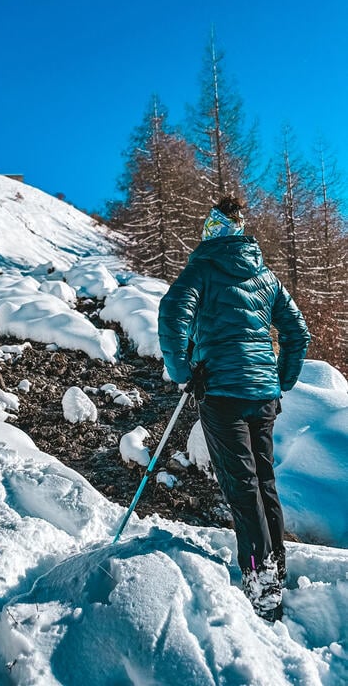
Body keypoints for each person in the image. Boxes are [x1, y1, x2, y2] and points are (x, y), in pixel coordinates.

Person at [158, 196, 310, 622]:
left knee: (242, 488)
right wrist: (280, 380)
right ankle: (274, 569)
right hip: (263, 395)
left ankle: (263, 588)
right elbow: (298, 332)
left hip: (222, 391)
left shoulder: (203, 266)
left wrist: (183, 371)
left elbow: (172, 313)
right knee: (264, 482)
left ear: (212, 231)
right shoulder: (264, 275)